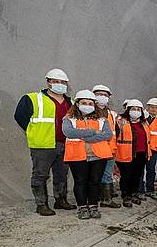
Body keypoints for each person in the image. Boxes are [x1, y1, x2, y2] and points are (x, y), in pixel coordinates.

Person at [14, 68, 76, 215]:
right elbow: (20, 116)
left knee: (62, 175)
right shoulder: (32, 99)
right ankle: (41, 204)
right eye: (56, 81)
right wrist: (33, 132)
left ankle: (60, 200)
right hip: (42, 145)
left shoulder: (71, 102)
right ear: (48, 82)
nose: (60, 84)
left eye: (63, 82)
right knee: (40, 175)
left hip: (65, 144)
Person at [62, 90, 112, 219]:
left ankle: (94, 206)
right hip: (77, 155)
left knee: (95, 182)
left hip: (98, 155)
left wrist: (86, 137)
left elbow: (107, 135)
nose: (87, 105)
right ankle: (82, 207)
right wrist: (93, 131)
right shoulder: (69, 118)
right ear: (77, 104)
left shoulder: (102, 119)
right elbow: (68, 132)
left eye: (90, 103)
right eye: (84, 102)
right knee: (80, 181)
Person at [115, 99, 151, 207]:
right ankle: (126, 195)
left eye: (138, 109)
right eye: (133, 109)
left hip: (141, 154)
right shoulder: (120, 121)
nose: (136, 111)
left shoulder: (144, 123)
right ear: (128, 110)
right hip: (125, 153)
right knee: (126, 175)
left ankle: (134, 193)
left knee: (137, 175)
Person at [92, 84, 121, 209]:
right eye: (99, 94)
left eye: (105, 95)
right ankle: (94, 197)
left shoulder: (112, 114)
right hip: (94, 149)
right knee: (94, 174)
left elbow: (117, 130)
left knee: (107, 173)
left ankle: (106, 199)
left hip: (110, 149)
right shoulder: (88, 111)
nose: (102, 97)